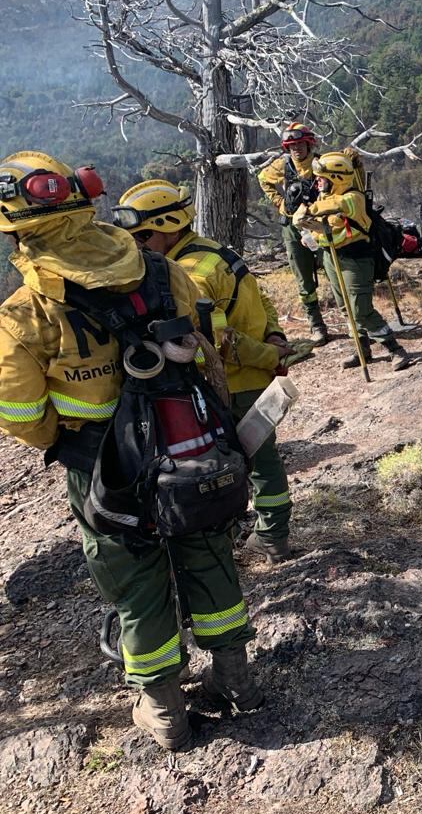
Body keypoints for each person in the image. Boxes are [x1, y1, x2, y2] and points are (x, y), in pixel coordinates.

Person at [0, 151, 260, 751]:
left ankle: (165, 710)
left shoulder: (25, 313)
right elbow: (207, 337)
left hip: (102, 465)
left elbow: (21, 413)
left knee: (133, 575)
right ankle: (237, 678)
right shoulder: (158, 268)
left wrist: (66, 441)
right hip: (185, 436)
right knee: (206, 548)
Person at [113, 179, 296, 564]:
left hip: (233, 383)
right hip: (246, 376)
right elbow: (259, 298)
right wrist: (275, 336)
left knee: (245, 465)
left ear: (168, 226)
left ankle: (269, 538)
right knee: (257, 462)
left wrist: (267, 354)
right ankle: (262, 532)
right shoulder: (213, 252)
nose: (138, 244)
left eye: (143, 234)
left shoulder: (189, 271)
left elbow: (213, 339)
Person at [293, 150, 412, 371]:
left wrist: (308, 209)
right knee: (345, 307)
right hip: (332, 255)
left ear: (336, 179)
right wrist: (309, 228)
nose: (318, 182)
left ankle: (395, 349)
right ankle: (362, 349)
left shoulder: (352, 198)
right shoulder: (324, 196)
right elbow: (322, 222)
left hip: (356, 258)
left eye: (322, 178)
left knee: (360, 309)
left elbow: (337, 206)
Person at [258, 122, 329, 344]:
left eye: (299, 144)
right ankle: (316, 324)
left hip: (319, 223)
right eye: (291, 146)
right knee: (303, 278)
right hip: (292, 227)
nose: (296, 149)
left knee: (332, 268)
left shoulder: (322, 163)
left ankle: (350, 320)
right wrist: (280, 203)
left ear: (309, 144)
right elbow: (263, 179)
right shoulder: (282, 165)